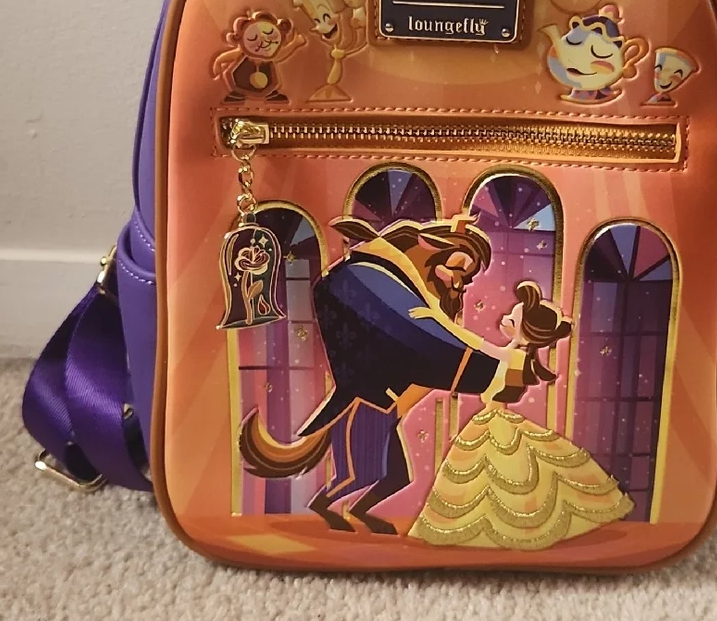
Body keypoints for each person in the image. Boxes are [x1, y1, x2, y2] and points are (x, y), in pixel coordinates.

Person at [238, 213, 525, 535]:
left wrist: (497, 362)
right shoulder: (368, 277)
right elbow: (422, 337)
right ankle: (323, 507)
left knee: (396, 477)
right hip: (365, 404)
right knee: (360, 474)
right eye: (456, 268)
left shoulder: (397, 286)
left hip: (381, 405)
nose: (459, 283)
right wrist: (495, 369)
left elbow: (431, 334)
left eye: (466, 278)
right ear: (429, 247)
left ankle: (357, 512)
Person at [409, 280, 634, 551]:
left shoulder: (514, 357)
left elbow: (476, 343)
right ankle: (497, 530)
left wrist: (438, 319)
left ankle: (515, 531)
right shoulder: (517, 355)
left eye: (512, 319)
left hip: (494, 420)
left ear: (527, 332)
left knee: (500, 476)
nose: (504, 319)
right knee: (498, 476)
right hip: (494, 417)